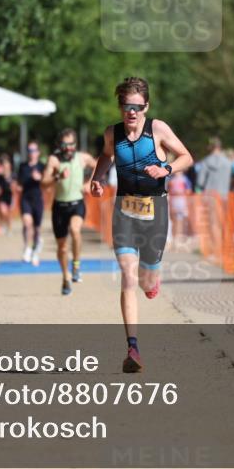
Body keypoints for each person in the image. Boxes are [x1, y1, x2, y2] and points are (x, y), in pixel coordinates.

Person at [89, 77, 192, 373]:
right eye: (125, 106)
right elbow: (106, 157)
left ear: (145, 106)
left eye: (136, 106)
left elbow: (187, 156)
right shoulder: (112, 133)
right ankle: (132, 348)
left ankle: (153, 279)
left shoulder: (157, 129)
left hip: (155, 210)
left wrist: (166, 168)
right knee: (128, 276)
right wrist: (97, 179)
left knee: (146, 282)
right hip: (124, 209)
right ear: (120, 107)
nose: (131, 112)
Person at [41, 128, 97, 295]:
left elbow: (101, 164)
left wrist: (90, 182)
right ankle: (66, 277)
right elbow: (44, 183)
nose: (69, 148)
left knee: (75, 229)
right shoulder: (54, 160)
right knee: (62, 248)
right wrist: (57, 177)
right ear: (60, 145)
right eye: (65, 144)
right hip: (59, 207)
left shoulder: (82, 158)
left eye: (72, 144)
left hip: (77, 204)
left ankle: (77, 265)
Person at [16, 140, 46, 265]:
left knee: (37, 229)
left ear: (38, 152)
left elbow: (48, 182)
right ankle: (27, 248)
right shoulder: (23, 166)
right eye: (29, 150)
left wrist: (40, 178)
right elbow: (18, 181)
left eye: (33, 150)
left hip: (38, 199)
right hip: (26, 199)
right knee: (27, 224)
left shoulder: (42, 166)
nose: (31, 153)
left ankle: (35, 250)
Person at [0, 153, 15, 235]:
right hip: (2, 196)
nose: (5, 166)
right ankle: (3, 225)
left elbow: (15, 188)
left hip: (11, 196)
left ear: (10, 165)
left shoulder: (13, 175)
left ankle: (9, 228)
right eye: (3, 165)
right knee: (3, 211)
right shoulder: (0, 177)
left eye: (6, 164)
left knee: (9, 214)